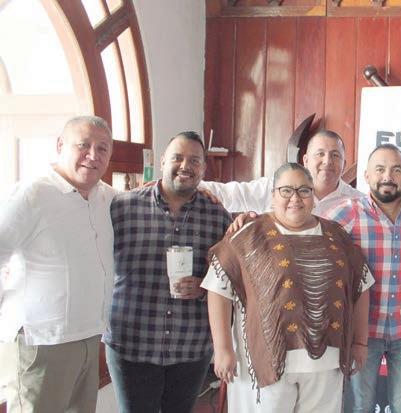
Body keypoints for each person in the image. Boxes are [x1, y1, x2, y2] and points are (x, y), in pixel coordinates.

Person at [203, 163, 373, 412]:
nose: (295, 198)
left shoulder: (337, 236)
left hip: (326, 362)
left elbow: (361, 285)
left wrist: (360, 342)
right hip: (264, 361)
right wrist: (223, 348)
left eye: (304, 190)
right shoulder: (248, 235)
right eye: (286, 190)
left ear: (313, 196)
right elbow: (218, 289)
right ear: (273, 195)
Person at [104, 132, 233, 413]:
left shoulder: (218, 217)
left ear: (203, 168)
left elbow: (227, 280)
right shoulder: (123, 208)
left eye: (195, 161)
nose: (185, 166)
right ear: (163, 161)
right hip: (132, 344)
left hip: (190, 347)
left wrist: (202, 287)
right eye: (177, 157)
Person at [0, 116, 115, 413]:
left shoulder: (107, 197)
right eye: (83, 145)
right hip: (41, 341)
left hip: (90, 335)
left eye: (102, 148)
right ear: (61, 145)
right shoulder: (32, 193)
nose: (93, 155)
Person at [326, 144, 401, 413]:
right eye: (380, 169)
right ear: (367, 176)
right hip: (364, 332)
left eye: (396, 170)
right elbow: (301, 226)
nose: (388, 176)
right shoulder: (346, 212)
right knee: (359, 406)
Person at [200, 129, 363, 215]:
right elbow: (231, 194)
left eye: (335, 155)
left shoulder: (359, 203)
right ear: (305, 160)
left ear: (344, 164)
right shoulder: (278, 188)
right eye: (320, 154)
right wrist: (193, 187)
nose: (327, 161)